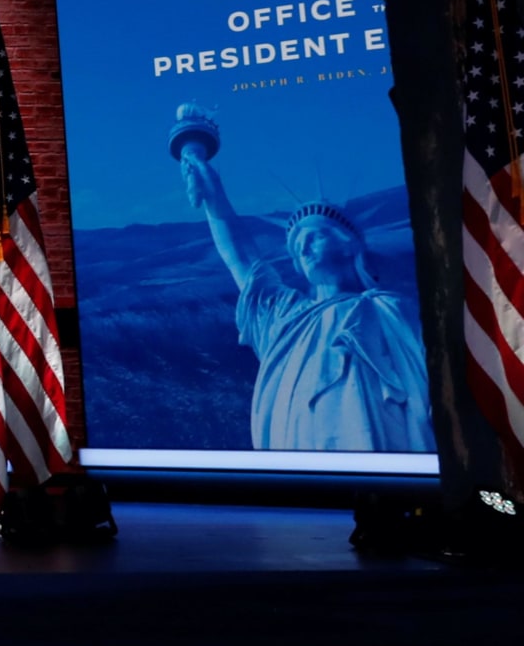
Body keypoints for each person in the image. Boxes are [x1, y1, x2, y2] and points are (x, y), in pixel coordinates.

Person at [178, 149, 432, 451]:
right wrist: (213, 198)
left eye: (314, 237)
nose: (304, 248)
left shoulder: (389, 310)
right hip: (300, 449)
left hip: (379, 450)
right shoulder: (285, 316)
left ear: (348, 245)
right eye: (298, 245)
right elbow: (241, 260)